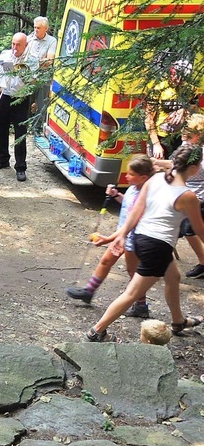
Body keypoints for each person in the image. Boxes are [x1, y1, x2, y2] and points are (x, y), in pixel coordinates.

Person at [87, 144, 204, 342]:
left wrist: (121, 235)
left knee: (173, 277)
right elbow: (200, 230)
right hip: (157, 247)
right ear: (193, 168)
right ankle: (97, 331)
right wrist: (118, 237)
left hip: (142, 238)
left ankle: (178, 321)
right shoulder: (187, 195)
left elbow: (136, 211)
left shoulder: (156, 179)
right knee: (132, 292)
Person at [65, 155, 155, 317]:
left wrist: (110, 238)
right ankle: (89, 292)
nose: (126, 176)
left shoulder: (146, 195)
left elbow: (134, 220)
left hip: (133, 239)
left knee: (133, 271)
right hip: (122, 235)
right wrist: (116, 195)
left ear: (143, 177)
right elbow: (127, 204)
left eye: (130, 174)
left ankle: (141, 306)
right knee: (106, 261)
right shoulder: (134, 188)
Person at [153, 114, 204, 278]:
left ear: (198, 135)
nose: (184, 137)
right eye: (184, 132)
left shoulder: (201, 153)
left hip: (197, 197)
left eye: (189, 134)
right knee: (182, 229)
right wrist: (157, 162)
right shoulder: (187, 144)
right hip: (183, 194)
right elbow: (177, 163)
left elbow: (185, 167)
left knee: (190, 230)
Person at [0, 33, 35, 182]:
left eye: (18, 45)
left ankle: (20, 167)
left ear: (25, 45)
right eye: (13, 44)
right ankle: (2, 159)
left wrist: (23, 75)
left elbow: (34, 82)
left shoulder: (32, 59)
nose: (14, 48)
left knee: (20, 132)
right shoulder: (5, 54)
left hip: (21, 97)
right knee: (1, 128)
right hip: (5, 94)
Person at [145, 59, 194, 159]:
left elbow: (194, 112)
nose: (178, 79)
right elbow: (148, 118)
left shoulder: (190, 90)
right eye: (175, 75)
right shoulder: (158, 89)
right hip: (160, 137)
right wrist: (156, 144)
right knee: (157, 168)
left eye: (182, 77)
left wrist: (184, 110)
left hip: (180, 138)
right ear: (171, 72)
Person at [26, 16, 57, 131]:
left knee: (41, 102)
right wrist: (40, 61)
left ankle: (37, 127)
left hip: (44, 77)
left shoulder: (52, 41)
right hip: (29, 75)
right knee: (26, 100)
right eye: (35, 27)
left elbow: (49, 61)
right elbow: (24, 59)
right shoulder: (28, 39)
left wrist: (33, 62)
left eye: (39, 27)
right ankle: (24, 124)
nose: (36, 30)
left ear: (46, 29)